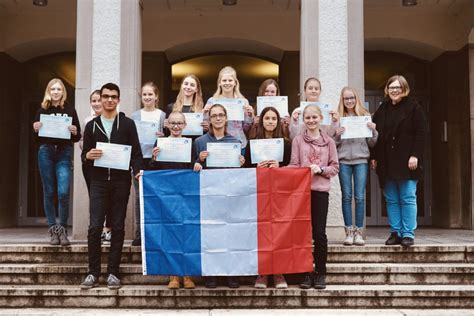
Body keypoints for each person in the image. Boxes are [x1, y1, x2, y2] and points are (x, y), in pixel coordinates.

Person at [80, 82, 143, 289]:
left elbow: (136, 153)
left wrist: (137, 170)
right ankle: (93, 272)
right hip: (98, 181)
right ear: (101, 98)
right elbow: (84, 155)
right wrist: (88, 156)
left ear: (118, 99)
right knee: (94, 227)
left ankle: (113, 273)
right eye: (105, 96)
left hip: (120, 181)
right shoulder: (91, 125)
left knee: (117, 226)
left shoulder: (127, 124)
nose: (109, 100)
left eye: (113, 96)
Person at [370, 75, 428, 248]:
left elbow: (421, 133)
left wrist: (415, 155)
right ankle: (395, 232)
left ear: (404, 89)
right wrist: (373, 156)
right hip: (386, 161)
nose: (394, 90)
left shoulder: (414, 107)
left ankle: (408, 233)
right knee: (392, 199)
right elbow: (376, 136)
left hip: (407, 160)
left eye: (398, 87)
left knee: (408, 197)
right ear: (387, 90)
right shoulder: (383, 109)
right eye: (391, 87)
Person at [193, 104, 245, 289]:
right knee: (212, 234)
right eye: (214, 115)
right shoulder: (200, 142)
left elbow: (242, 172)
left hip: (230, 192)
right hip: (209, 192)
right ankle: (212, 274)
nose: (217, 118)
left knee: (231, 234)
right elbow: (193, 167)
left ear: (226, 118)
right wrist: (199, 161)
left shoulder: (236, 141)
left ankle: (231, 274)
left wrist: (241, 163)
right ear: (209, 119)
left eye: (221, 115)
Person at [287, 104, 339, 290]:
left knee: (319, 234)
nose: (310, 121)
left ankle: (320, 272)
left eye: (314, 117)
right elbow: (294, 164)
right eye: (307, 118)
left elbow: (335, 167)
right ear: (303, 120)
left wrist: (321, 169)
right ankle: (305, 273)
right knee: (303, 235)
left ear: (320, 119)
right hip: (302, 192)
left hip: (320, 192)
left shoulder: (330, 142)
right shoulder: (298, 141)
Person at [149, 111, 195, 290]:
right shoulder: (159, 143)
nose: (176, 126)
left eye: (180, 123)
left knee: (186, 234)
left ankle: (187, 274)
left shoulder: (189, 144)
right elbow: (153, 170)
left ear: (185, 125)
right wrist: (153, 158)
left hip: (184, 195)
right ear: (167, 124)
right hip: (165, 196)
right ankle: (173, 275)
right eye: (173, 123)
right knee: (170, 234)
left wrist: (197, 164)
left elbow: (193, 167)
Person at [32, 78, 81, 246]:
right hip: (45, 151)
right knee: (49, 192)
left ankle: (63, 230)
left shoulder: (70, 110)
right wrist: (36, 129)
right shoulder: (41, 110)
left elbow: (77, 136)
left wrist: (74, 131)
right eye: (52, 89)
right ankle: (53, 230)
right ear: (48, 91)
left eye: (58, 89)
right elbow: (35, 139)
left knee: (63, 192)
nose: (55, 92)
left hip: (64, 152)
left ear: (63, 92)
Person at [246, 106, 291, 289]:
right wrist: (257, 169)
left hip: (280, 193)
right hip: (260, 192)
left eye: (274, 118)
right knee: (263, 232)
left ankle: (278, 273)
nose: (270, 121)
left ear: (278, 121)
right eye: (267, 118)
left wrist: (279, 167)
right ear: (261, 121)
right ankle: (263, 273)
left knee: (279, 232)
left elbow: (292, 167)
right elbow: (246, 168)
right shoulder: (253, 143)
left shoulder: (286, 143)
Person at [333, 87, 378, 246]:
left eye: (352, 98)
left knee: (359, 197)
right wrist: (337, 133)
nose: (349, 101)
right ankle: (349, 233)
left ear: (356, 98)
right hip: (344, 160)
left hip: (360, 160)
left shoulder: (364, 115)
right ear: (342, 100)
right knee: (346, 196)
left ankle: (359, 232)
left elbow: (372, 143)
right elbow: (333, 143)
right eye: (346, 99)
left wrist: (373, 131)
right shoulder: (338, 118)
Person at [130, 82, 165, 246]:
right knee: (139, 198)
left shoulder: (162, 115)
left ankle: (156, 234)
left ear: (156, 96)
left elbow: (169, 137)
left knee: (157, 197)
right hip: (139, 160)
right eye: (144, 94)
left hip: (157, 159)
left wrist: (163, 135)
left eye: (150, 94)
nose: (147, 97)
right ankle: (140, 234)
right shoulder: (135, 116)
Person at [80, 90, 112, 245]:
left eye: (99, 100)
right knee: (95, 197)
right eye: (93, 100)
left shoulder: (112, 120)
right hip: (91, 165)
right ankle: (96, 229)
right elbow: (82, 143)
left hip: (109, 165)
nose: (97, 103)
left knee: (110, 197)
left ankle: (108, 229)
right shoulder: (87, 121)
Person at [204, 66, 254, 153]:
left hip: (239, 143)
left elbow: (246, 128)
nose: (227, 83)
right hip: (217, 143)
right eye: (224, 80)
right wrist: (204, 114)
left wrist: (250, 116)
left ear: (235, 83)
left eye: (230, 80)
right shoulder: (212, 101)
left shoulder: (243, 101)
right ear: (219, 83)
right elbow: (207, 126)